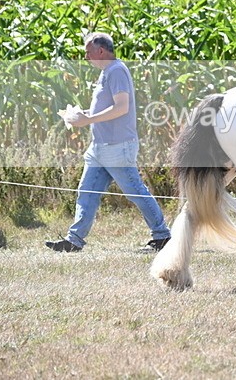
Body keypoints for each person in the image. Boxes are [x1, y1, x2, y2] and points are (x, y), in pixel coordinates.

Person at [45, 32, 171, 252]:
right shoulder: (107, 73)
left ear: (100, 51)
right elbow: (104, 108)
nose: (85, 56)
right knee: (87, 191)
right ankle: (74, 240)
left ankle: (162, 237)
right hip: (99, 148)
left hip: (117, 146)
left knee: (135, 192)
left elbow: (121, 107)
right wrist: (80, 115)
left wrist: (89, 119)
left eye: (88, 51)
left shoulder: (117, 71)